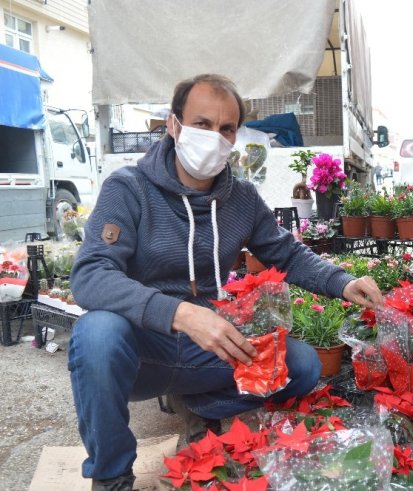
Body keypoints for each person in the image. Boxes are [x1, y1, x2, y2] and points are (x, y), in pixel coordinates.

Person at [68, 74, 383, 491]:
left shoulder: (242, 200)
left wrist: (343, 282)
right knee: (96, 334)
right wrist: (180, 314)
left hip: (214, 346)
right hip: (143, 349)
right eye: (202, 124)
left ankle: (203, 405)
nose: (213, 137)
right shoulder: (128, 189)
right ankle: (111, 474)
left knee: (303, 365)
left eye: (226, 128)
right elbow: (90, 275)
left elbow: (285, 253)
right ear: (173, 125)